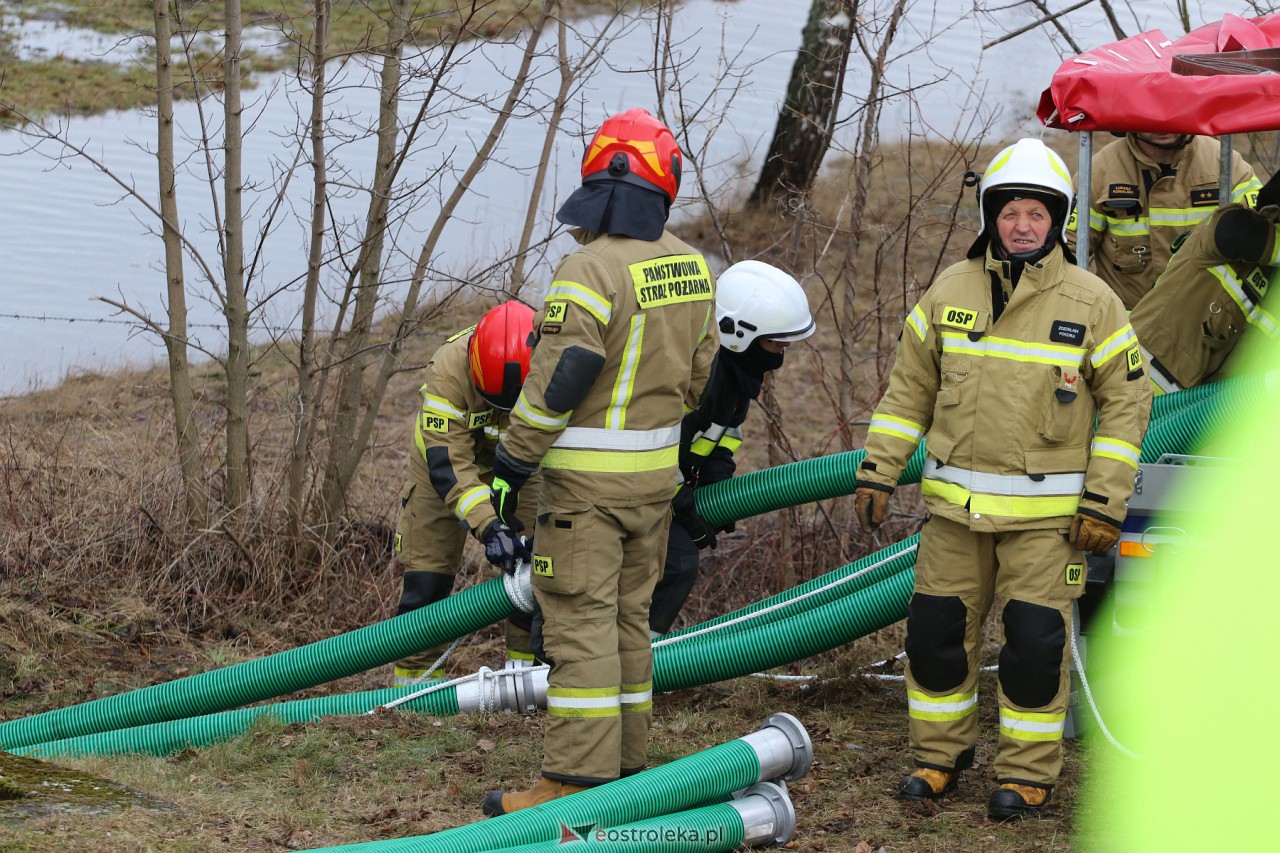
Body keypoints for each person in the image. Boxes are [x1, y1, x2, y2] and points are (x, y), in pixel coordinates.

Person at [853, 138, 1152, 820]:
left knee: (1033, 650)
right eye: (1010, 210)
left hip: (1047, 525)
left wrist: (1106, 499)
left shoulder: (1094, 303)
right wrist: (878, 467)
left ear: (1058, 221)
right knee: (933, 640)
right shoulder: (949, 292)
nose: (1022, 224)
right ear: (991, 215)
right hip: (956, 517)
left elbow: (1130, 403)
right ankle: (939, 757)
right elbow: (908, 391)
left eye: (1035, 214)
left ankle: (1026, 774)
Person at [479, 108, 718, 816]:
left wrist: (511, 464)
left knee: (580, 624)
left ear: (603, 180)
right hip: (652, 484)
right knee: (628, 625)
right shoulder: (690, 266)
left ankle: (573, 783)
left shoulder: (588, 267)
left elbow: (561, 378)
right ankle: (628, 766)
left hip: (585, 492)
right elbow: (700, 378)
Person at [648, 259, 815, 636]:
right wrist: (683, 505)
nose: (781, 354)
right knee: (673, 564)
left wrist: (717, 478)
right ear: (738, 333)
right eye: (775, 343)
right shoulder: (696, 374)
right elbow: (655, 444)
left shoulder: (737, 374)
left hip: (665, 485)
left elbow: (722, 433)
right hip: (637, 483)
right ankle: (630, 665)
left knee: (674, 565)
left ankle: (638, 661)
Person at [389, 301, 538, 687]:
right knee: (427, 578)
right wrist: (490, 528)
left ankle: (523, 677)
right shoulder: (447, 371)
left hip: (524, 461)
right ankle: (413, 689)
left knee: (533, 565)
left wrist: (517, 533)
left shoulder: (553, 359)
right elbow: (450, 464)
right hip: (444, 462)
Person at [1066, 131, 1261, 310]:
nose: (1162, 124)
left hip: (1207, 329)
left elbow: (1265, 232)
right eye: (1150, 112)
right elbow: (1067, 252)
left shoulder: (1226, 164)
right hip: (1125, 334)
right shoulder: (1100, 171)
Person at [1129, 169, 1280, 394]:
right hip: (1142, 377)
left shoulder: (1272, 282)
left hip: (1197, 407)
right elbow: (1230, 234)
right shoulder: (1231, 225)